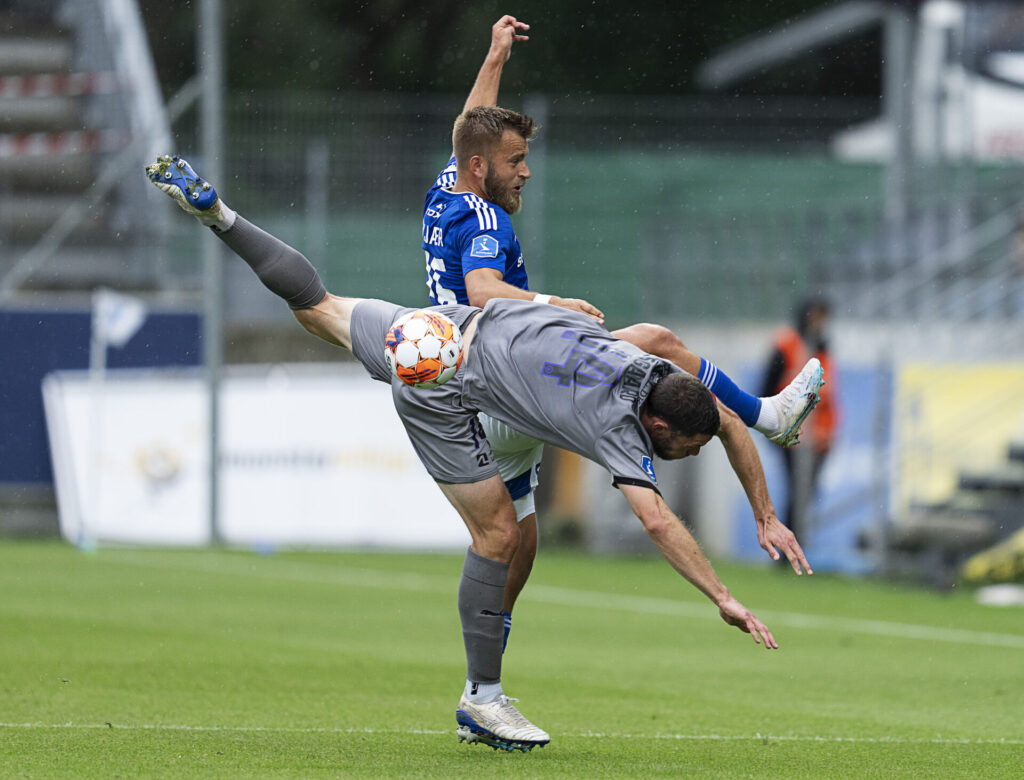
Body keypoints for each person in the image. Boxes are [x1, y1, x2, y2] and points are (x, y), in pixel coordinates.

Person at [147, 154, 814, 754]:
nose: (692, 455)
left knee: (318, 306)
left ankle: (221, 215)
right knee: (498, 536)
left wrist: (764, 506)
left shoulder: (629, 351)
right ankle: (483, 697)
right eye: (685, 447)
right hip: (446, 390)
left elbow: (719, 418)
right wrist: (722, 596)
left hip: (438, 330)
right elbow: (659, 522)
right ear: (655, 422)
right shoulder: (616, 424)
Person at [422, 16, 825, 647]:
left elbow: (473, 122)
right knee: (658, 346)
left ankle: (485, 671)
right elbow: (482, 291)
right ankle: (768, 416)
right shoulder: (487, 224)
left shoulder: (451, 186)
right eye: (517, 161)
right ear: (483, 167)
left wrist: (495, 56)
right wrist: (556, 303)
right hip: (508, 376)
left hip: (474, 383)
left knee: (517, 539)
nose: (526, 172)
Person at [760, 297, 839, 545]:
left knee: (806, 492)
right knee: (797, 492)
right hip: (792, 433)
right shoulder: (787, 345)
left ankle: (795, 541)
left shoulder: (824, 347)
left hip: (820, 437)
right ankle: (788, 546)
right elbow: (767, 387)